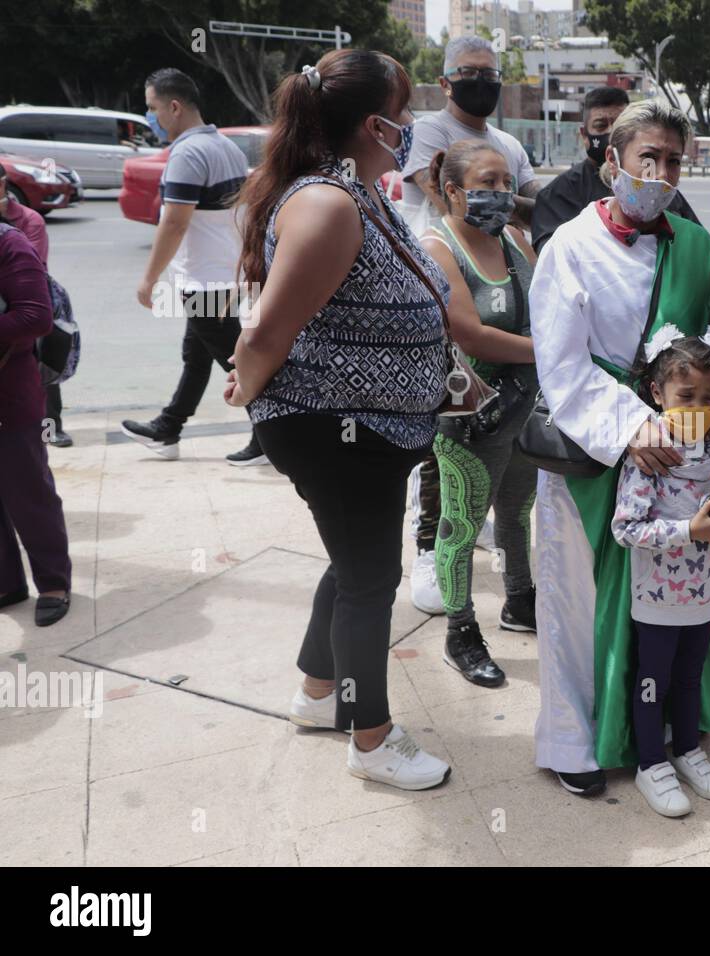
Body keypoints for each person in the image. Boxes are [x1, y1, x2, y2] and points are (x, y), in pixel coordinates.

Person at [225, 51, 459, 790]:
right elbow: (267, 332)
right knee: (368, 582)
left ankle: (315, 692)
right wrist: (245, 385)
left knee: (352, 563)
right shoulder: (326, 205)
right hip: (336, 426)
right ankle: (371, 739)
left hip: (371, 426)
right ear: (372, 123)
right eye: (406, 109)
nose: (413, 124)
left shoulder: (356, 190)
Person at [530, 100, 710, 797]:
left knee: (681, 598)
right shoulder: (568, 247)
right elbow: (559, 364)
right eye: (648, 157)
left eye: (674, 161)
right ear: (611, 159)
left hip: (681, 457)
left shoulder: (697, 246)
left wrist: (699, 436)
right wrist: (629, 425)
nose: (661, 172)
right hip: (595, 451)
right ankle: (575, 743)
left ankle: (679, 735)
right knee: (577, 601)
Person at [415, 140, 539, 686]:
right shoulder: (438, 247)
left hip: (525, 408)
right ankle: (460, 633)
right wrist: (548, 349)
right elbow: (469, 333)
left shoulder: (512, 238)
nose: (500, 194)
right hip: (470, 414)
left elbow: (547, 306)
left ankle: (519, 600)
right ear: (453, 191)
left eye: (506, 183)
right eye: (487, 184)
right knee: (461, 522)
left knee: (516, 512)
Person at [611, 332, 710, 817]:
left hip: (705, 588)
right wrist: (692, 528)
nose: (698, 407)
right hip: (659, 593)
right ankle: (650, 763)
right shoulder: (648, 457)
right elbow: (627, 529)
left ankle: (687, 749)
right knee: (653, 679)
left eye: (709, 399)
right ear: (657, 393)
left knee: (690, 675)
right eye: (686, 396)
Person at [121, 69, 263, 465]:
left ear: (174, 106)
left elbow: (175, 221)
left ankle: (271, 435)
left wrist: (148, 278)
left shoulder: (187, 153)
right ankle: (168, 429)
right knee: (197, 355)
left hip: (204, 281)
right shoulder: (225, 146)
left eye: (151, 108)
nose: (150, 117)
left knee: (237, 360)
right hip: (222, 273)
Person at [0, 221, 72, 626]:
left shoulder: (10, 245)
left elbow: (35, 317)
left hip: (9, 393)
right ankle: (7, 583)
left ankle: (53, 583)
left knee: (29, 492)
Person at [531, 86, 699, 255]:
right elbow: (552, 256)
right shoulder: (558, 196)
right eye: (601, 125)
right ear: (584, 134)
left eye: (619, 123)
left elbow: (694, 247)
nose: (611, 131)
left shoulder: (660, 186)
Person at [399, 36, 539, 232]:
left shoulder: (510, 144)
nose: (480, 81)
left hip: (499, 261)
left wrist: (492, 201)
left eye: (490, 74)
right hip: (441, 259)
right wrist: (514, 210)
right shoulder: (428, 131)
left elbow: (545, 211)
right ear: (445, 84)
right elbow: (454, 206)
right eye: (468, 72)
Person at [0, 169, 70, 447]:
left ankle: (52, 427)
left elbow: (34, 267)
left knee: (43, 370)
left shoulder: (26, 222)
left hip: (32, 297)